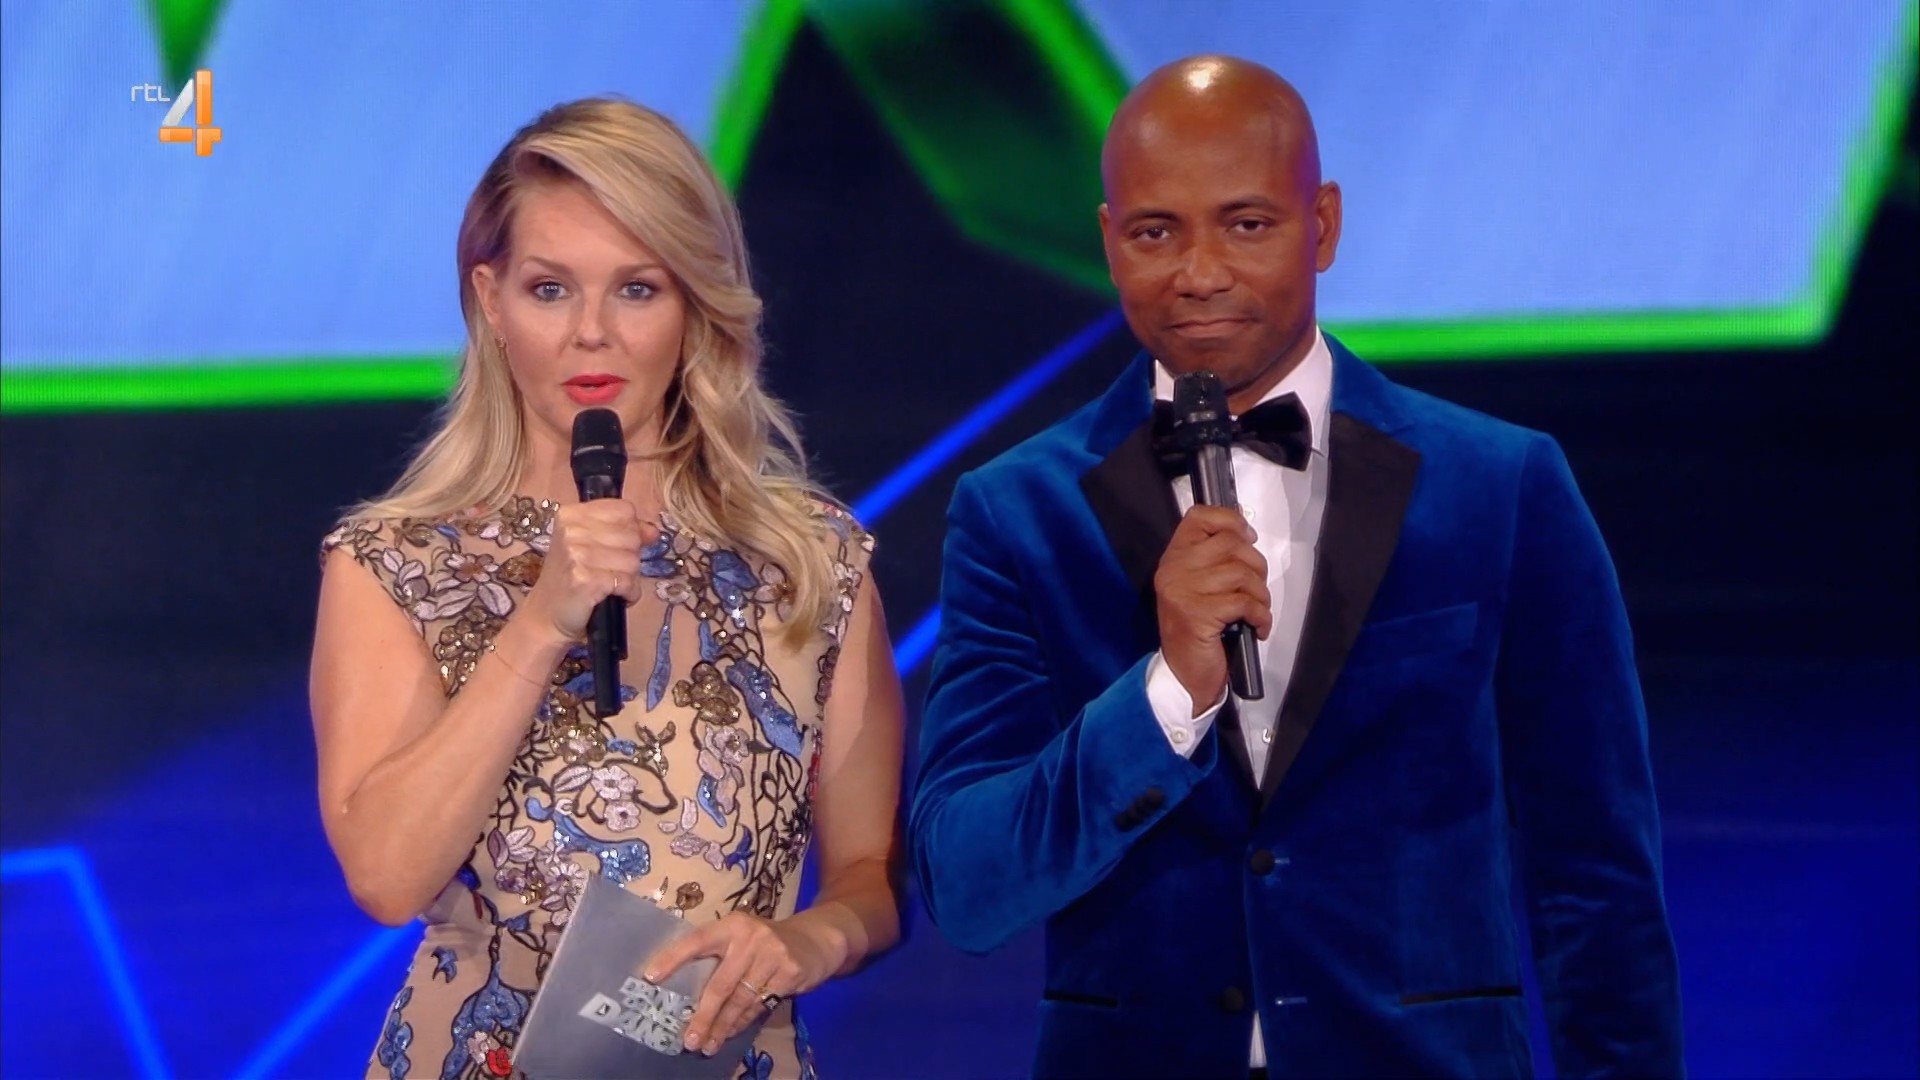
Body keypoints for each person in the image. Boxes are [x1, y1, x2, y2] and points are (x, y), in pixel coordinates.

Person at [911, 55, 1683, 1078]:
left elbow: (1596, 871)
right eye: (1156, 233)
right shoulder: (1018, 512)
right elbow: (967, 885)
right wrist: (1168, 695)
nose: (1199, 273)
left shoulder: (1501, 487)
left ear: (1321, 225)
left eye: (1246, 224)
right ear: (1107, 240)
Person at [310, 97, 904, 1080]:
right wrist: (539, 623)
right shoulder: (396, 562)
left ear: (694, 303)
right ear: (491, 300)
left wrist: (808, 941)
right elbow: (385, 877)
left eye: (637, 288)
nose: (593, 334)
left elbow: (868, 882)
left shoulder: (813, 564)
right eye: (550, 290)